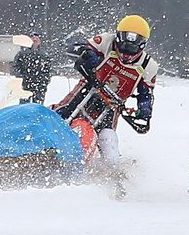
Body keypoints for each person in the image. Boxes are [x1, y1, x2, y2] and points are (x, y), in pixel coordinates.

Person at [53, 15, 158, 184]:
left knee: (107, 139)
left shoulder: (148, 66)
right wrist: (88, 55)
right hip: (89, 88)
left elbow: (146, 94)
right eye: (122, 46)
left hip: (112, 105)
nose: (125, 53)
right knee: (62, 113)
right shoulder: (106, 41)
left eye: (131, 49)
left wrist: (144, 110)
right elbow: (77, 47)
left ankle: (112, 178)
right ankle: (39, 144)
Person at [11, 31, 52, 104]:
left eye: (37, 37)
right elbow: (15, 66)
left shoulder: (45, 54)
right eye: (32, 37)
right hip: (25, 85)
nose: (34, 39)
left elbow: (49, 69)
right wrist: (21, 77)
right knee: (24, 107)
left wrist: (44, 80)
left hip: (40, 86)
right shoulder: (22, 53)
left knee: (38, 107)